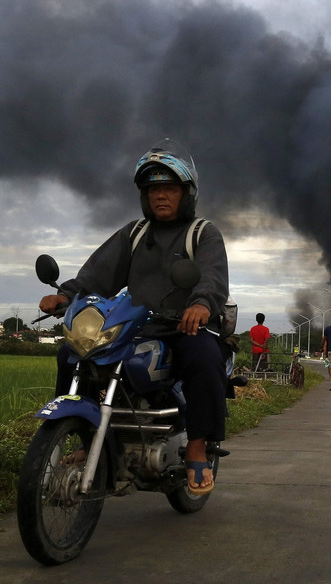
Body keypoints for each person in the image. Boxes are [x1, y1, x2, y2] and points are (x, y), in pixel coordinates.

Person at [38, 140, 229, 496]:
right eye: (153, 189)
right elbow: (99, 274)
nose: (160, 196)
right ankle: (82, 433)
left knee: (203, 357)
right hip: (139, 325)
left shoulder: (203, 233)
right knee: (73, 353)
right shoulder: (134, 233)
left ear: (186, 193)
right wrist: (66, 295)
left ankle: (199, 444)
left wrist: (201, 304)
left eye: (169, 188)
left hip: (186, 327)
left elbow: (213, 276)